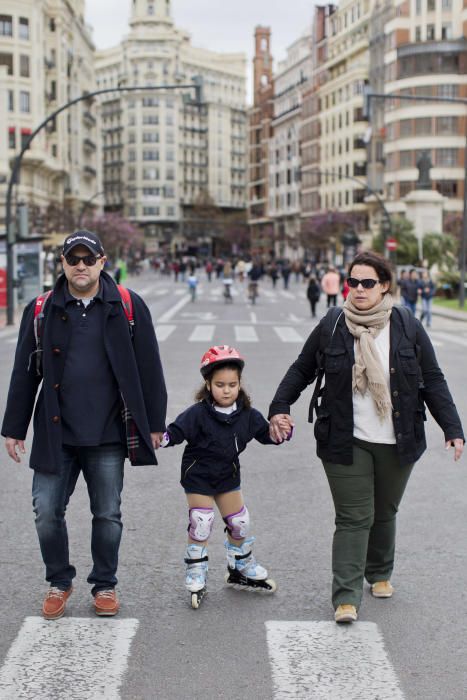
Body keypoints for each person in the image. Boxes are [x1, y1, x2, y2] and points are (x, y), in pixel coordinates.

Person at [268, 250, 464, 624]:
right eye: (352, 282)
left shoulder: (407, 325)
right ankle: (346, 596)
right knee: (355, 516)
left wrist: (452, 429)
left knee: (385, 511)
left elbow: (433, 379)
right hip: (345, 437)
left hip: (399, 436)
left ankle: (379, 572)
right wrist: (280, 406)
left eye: (367, 283)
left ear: (384, 286)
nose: (358, 289)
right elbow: (302, 368)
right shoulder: (333, 323)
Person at [2, 229, 168, 620]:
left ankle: (105, 584)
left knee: (107, 513)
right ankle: (59, 580)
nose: (80, 266)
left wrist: (155, 423)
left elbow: (149, 368)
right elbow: (24, 374)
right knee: (45, 510)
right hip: (55, 431)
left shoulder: (128, 305)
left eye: (87, 259)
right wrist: (14, 428)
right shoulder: (41, 309)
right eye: (72, 259)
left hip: (109, 433)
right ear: (62, 263)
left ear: (101, 262)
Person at [161, 345, 289, 608]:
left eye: (232, 384)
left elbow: (265, 435)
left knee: (240, 522)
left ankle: (240, 565)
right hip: (198, 474)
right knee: (201, 521)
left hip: (227, 475)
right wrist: (161, 438)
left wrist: (280, 433)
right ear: (208, 385)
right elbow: (176, 431)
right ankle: (196, 569)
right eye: (220, 384)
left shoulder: (247, 415)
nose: (227, 390)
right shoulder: (198, 413)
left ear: (240, 384)